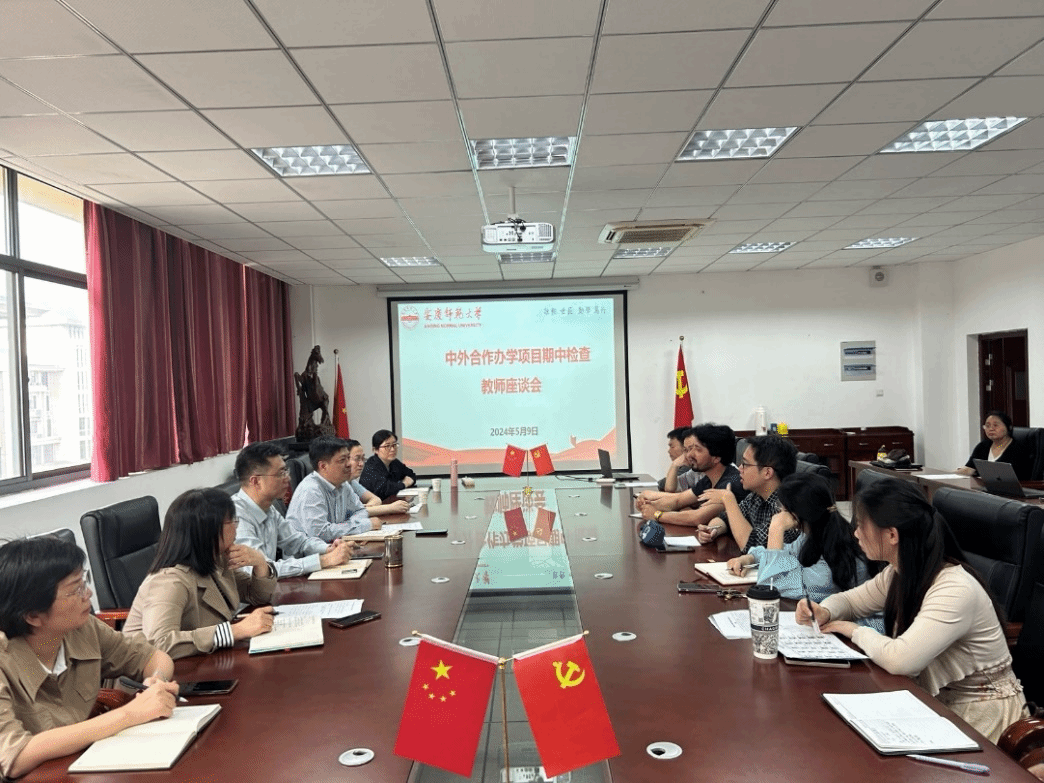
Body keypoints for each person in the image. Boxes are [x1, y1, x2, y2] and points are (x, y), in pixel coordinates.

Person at [797, 477, 1028, 743]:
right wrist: (824, 611)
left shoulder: (954, 589)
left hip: (983, 718)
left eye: (862, 526)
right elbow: (850, 601)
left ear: (892, 535)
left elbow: (901, 660)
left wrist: (852, 630)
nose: (856, 534)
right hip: (934, 704)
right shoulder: (902, 572)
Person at [0, 536, 179, 779]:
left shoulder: (82, 629)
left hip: (84, 766)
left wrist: (157, 681)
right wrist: (130, 714)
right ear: (32, 615)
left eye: (84, 582)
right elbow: (15, 757)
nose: (88, 594)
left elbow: (152, 657)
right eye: (75, 590)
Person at [123, 489, 277, 659]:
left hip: (199, 661)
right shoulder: (169, 581)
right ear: (209, 530)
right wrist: (235, 631)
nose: (236, 527)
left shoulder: (216, 560)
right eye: (233, 521)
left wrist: (260, 562)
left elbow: (257, 596)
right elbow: (160, 644)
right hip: (152, 672)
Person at [726, 472, 877, 605]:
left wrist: (776, 529)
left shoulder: (829, 567)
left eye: (784, 508)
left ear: (798, 513)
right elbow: (787, 552)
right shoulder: (816, 533)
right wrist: (750, 558)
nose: (780, 512)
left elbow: (770, 587)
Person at [232, 441, 355, 578]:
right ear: (255, 481)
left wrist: (328, 549)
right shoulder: (235, 516)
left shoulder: (269, 508)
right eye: (281, 473)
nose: (288, 478)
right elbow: (261, 570)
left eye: (286, 471)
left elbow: (298, 542)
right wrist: (323, 560)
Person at [698, 434, 799, 551]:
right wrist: (712, 529)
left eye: (745, 464)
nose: (739, 468)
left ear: (767, 473)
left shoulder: (788, 507)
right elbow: (725, 518)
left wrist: (729, 500)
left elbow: (751, 546)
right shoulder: (756, 495)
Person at [635, 424, 745, 528]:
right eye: (689, 449)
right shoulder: (708, 479)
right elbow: (678, 500)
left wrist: (657, 514)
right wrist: (648, 504)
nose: (689, 455)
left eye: (698, 449)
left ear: (716, 457)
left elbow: (697, 518)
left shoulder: (732, 482)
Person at [287, 435, 381, 541]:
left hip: (335, 545)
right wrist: (363, 525)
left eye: (348, 458)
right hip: (310, 550)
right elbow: (321, 533)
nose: (349, 464)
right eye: (342, 460)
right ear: (323, 466)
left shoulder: (343, 484)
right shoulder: (311, 490)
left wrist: (351, 527)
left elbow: (360, 511)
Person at [956, 410, 1031, 479]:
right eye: (987, 426)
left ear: (1008, 427)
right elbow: (970, 468)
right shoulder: (983, 446)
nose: (991, 429)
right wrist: (951, 473)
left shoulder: (1018, 448)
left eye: (995, 425)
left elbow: (1020, 475)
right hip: (982, 487)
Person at [345, 440, 411, 516]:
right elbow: (351, 513)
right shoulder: (338, 484)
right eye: (357, 459)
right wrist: (390, 508)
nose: (361, 464)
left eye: (362, 458)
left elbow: (376, 499)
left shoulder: (351, 482)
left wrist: (365, 508)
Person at [359, 429, 417, 498]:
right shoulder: (370, 467)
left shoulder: (394, 463)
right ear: (375, 450)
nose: (392, 449)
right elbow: (384, 489)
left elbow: (411, 475)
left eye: (394, 445)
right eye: (387, 446)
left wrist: (401, 484)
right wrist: (404, 484)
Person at [657, 427, 697, 492]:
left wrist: (674, 464)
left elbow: (663, 484)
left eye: (672, 446)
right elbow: (670, 488)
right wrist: (674, 465)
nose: (668, 451)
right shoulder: (691, 474)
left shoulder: (689, 468)